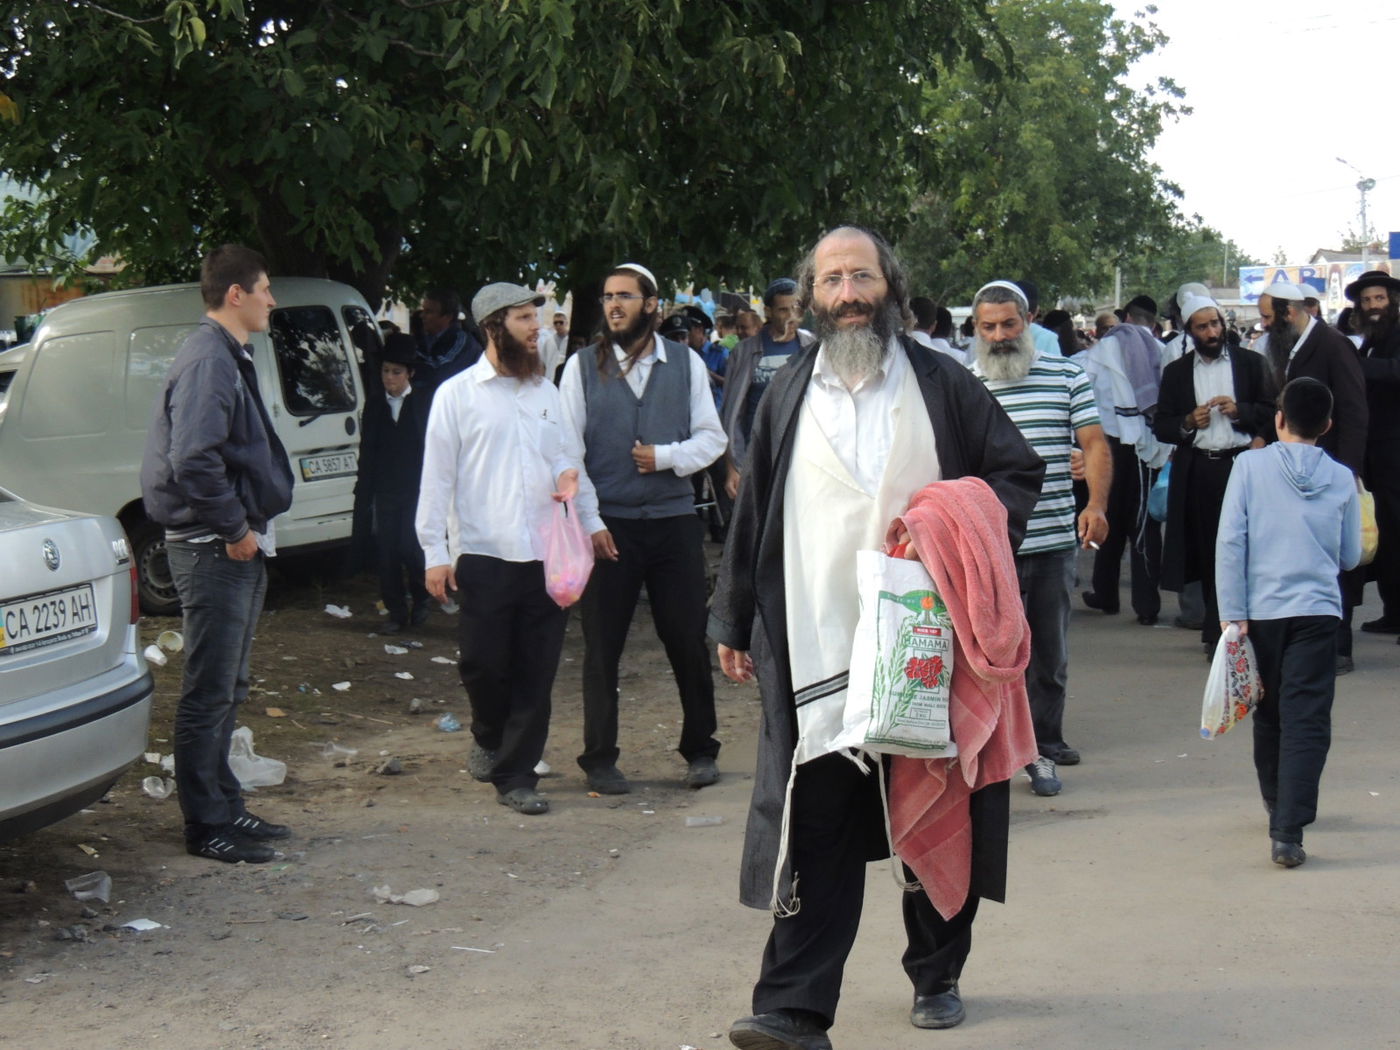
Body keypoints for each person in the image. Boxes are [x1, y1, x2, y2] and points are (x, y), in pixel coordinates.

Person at [711, 226, 1043, 1047]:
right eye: (833, 281)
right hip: (818, 642)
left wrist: (950, 528)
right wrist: (732, 615)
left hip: (928, 643)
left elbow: (1017, 473)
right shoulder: (784, 393)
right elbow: (753, 512)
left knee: (934, 799)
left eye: (863, 276)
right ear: (812, 299)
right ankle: (792, 1008)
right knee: (817, 815)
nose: (849, 293)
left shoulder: (942, 383)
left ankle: (937, 973)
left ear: (890, 288)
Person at [139, 244, 295, 864]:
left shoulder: (226, 355)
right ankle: (206, 825)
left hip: (229, 542)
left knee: (229, 684)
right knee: (208, 690)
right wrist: (234, 529)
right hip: (212, 548)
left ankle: (227, 806)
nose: (271, 299)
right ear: (236, 294)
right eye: (264, 288)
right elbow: (193, 459)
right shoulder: (210, 360)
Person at [559, 262, 727, 795]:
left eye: (626, 296)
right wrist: (590, 521)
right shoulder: (581, 368)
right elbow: (567, 454)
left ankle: (701, 750)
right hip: (609, 528)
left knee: (686, 639)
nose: (614, 305)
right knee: (602, 646)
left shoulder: (686, 363)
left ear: (651, 305)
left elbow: (712, 438)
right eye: (608, 296)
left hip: (674, 523)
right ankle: (600, 758)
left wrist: (667, 456)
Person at [415, 283, 583, 816]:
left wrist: (568, 480)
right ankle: (488, 734)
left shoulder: (546, 393)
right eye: (524, 318)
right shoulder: (457, 396)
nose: (537, 327)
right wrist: (434, 552)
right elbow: (436, 481)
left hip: (545, 553)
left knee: (537, 669)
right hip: (483, 554)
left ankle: (516, 775)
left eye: (537, 316)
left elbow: (566, 455)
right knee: (483, 665)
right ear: (492, 326)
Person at [968, 280, 1110, 795]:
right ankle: (994, 749)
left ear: (1027, 323)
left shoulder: (1067, 375)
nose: (1000, 335)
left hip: (1052, 542)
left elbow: (1093, 445)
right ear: (977, 329)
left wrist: (1096, 504)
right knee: (990, 657)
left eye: (1009, 324)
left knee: (1049, 653)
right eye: (989, 326)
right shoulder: (965, 384)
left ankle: (1044, 747)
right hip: (987, 549)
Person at [1216, 377, 1361, 868]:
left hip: (1259, 612)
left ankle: (1277, 801)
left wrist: (1232, 613)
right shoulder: (1342, 478)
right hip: (1318, 611)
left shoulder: (1249, 466)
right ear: (1327, 426)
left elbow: (1231, 541)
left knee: (1270, 710)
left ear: (1279, 419)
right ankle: (1288, 830)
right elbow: (1350, 555)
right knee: (1308, 717)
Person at [1152, 295, 1275, 652]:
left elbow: (1271, 411)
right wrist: (1189, 421)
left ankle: (1240, 629)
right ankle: (1216, 630)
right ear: (1189, 331)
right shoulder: (1177, 373)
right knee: (1208, 552)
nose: (1212, 332)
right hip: (1201, 469)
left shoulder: (1251, 363)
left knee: (1244, 550)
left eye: (1215, 324)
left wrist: (1241, 411)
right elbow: (1162, 425)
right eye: (1203, 326)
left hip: (1243, 465)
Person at [1257, 280, 1368, 673]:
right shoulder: (1291, 347)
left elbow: (1355, 412)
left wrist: (1349, 472)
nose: (1265, 326)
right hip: (1292, 470)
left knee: (1336, 557)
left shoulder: (1333, 345)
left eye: (1270, 318)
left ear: (1291, 312)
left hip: (1331, 468)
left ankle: (1341, 646)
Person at [1080, 294, 1170, 624]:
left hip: (1108, 446)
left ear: (1127, 316)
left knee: (1105, 516)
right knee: (1145, 525)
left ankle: (1105, 593)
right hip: (1147, 447)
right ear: (1153, 321)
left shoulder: (1103, 348)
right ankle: (1147, 606)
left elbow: (1085, 393)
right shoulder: (1161, 351)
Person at [354, 332, 432, 633]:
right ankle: (396, 612)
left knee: (412, 548)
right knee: (387, 552)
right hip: (386, 489)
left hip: (417, 489)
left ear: (410, 373)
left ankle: (422, 598)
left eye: (396, 372)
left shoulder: (424, 404)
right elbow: (368, 450)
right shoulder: (375, 406)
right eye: (385, 371)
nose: (390, 378)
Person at [722, 278, 815, 499]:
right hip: (757, 458)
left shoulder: (812, 348)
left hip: (803, 457)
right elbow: (731, 412)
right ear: (768, 311)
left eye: (795, 309)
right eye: (783, 310)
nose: (791, 316)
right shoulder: (745, 352)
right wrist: (732, 466)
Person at [1344, 270, 1400, 636]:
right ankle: (1394, 612)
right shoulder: (1370, 341)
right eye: (1366, 301)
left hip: (1397, 452)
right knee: (1389, 536)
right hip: (1379, 453)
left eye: (1378, 299)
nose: (1373, 306)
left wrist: (1354, 366)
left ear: (1392, 301)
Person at [414, 288, 483, 402]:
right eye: (423, 310)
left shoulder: (463, 342)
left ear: (448, 316)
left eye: (429, 312)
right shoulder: (424, 338)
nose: (422, 316)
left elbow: (440, 372)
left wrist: (412, 364)